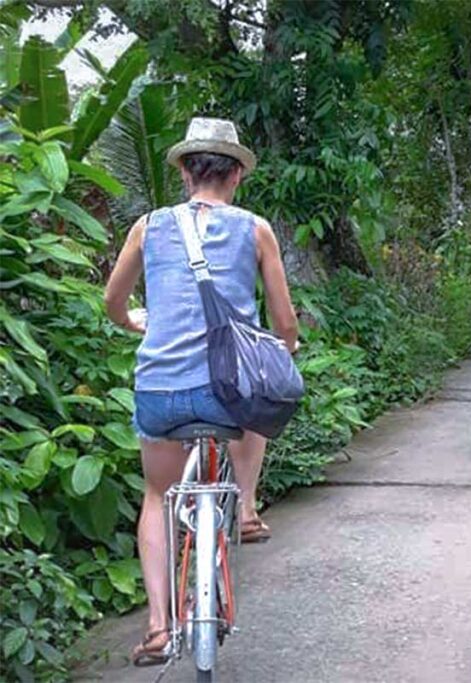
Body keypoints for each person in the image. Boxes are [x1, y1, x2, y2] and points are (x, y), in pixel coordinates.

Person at [103, 118, 299, 666]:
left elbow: (113, 303)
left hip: (159, 391)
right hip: (227, 393)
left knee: (158, 496)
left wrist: (138, 323)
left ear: (187, 172)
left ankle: (159, 626)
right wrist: (285, 345)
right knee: (262, 397)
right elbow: (283, 322)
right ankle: (247, 506)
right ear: (235, 174)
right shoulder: (255, 229)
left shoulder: (147, 227)